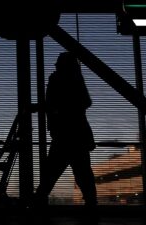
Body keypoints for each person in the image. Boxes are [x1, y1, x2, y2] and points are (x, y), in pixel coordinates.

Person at [34, 51, 98, 209]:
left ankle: (38, 202)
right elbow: (86, 102)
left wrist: (56, 111)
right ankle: (91, 205)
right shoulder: (75, 80)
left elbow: (50, 105)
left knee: (52, 172)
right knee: (82, 173)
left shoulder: (56, 79)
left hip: (63, 135)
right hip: (78, 135)